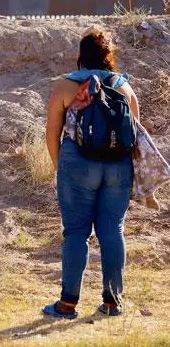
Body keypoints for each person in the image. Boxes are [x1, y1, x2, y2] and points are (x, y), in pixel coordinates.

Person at [43, 27, 138, 318]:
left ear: (80, 56)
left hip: (78, 163)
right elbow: (135, 134)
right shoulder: (124, 87)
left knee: (76, 233)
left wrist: (62, 168)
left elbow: (52, 134)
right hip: (119, 165)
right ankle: (113, 303)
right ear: (109, 56)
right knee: (113, 229)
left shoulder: (66, 86)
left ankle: (67, 303)